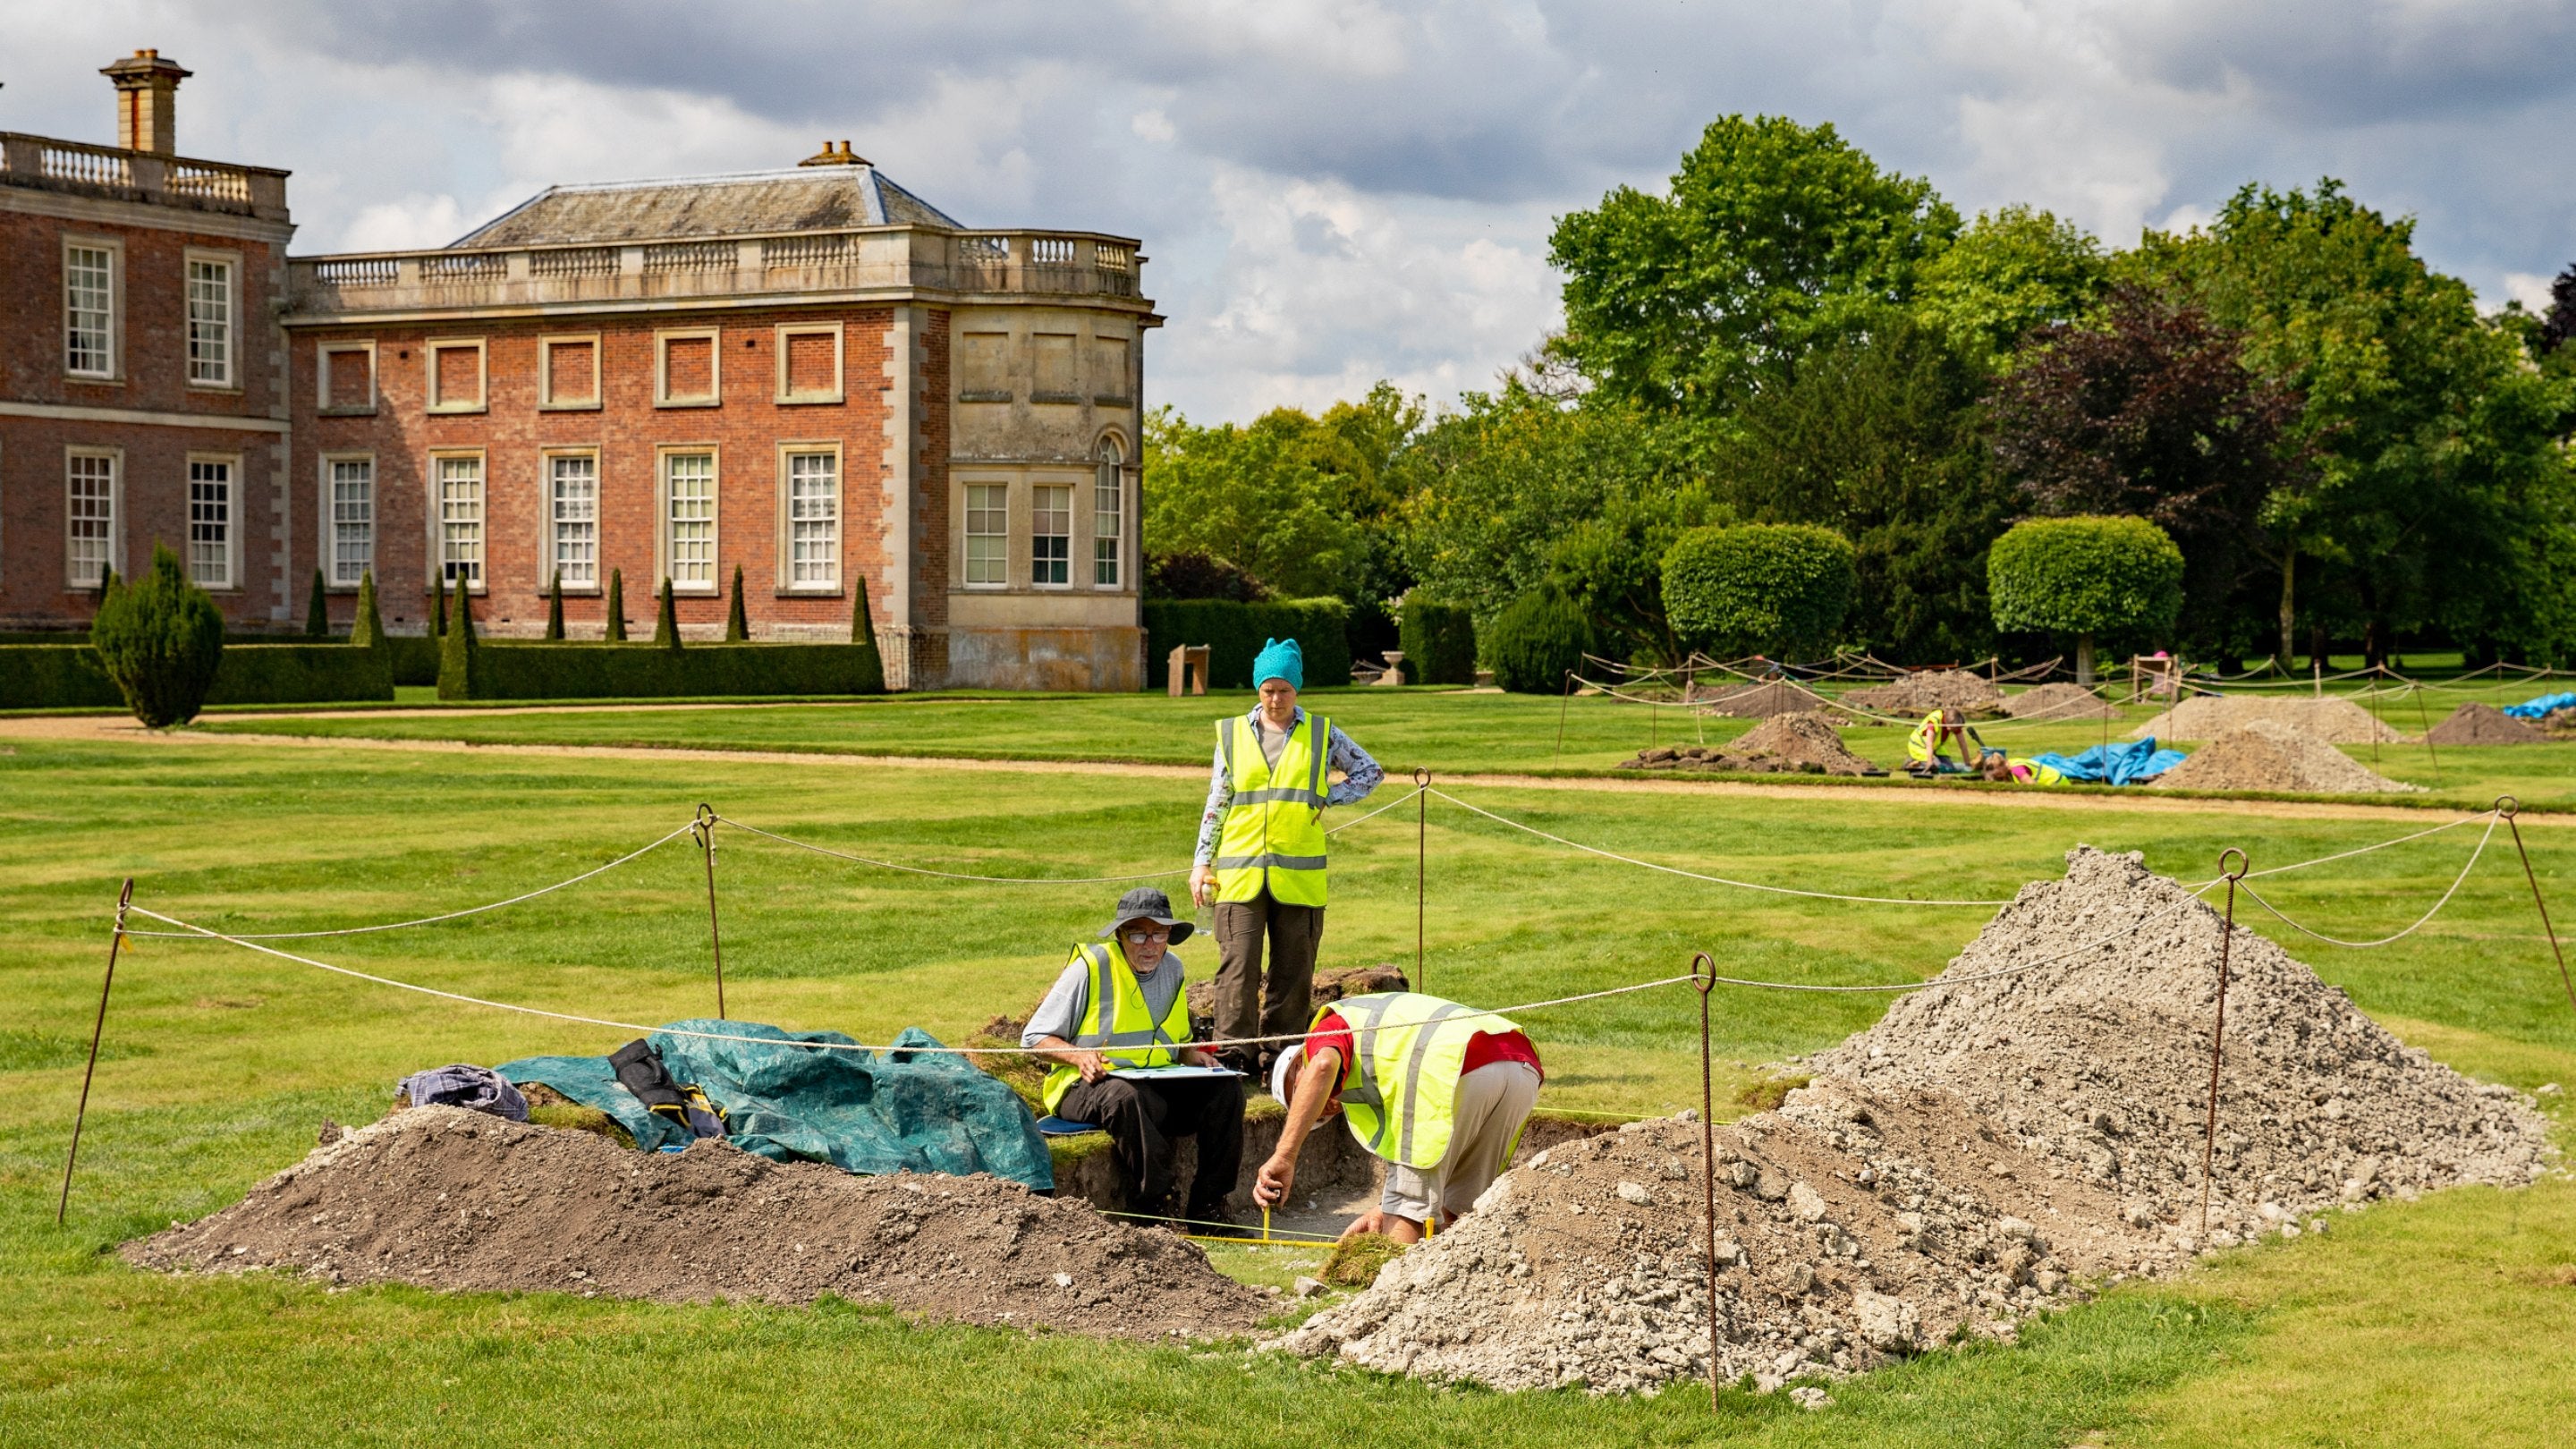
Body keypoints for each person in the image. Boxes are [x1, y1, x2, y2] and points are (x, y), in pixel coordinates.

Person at [1187, 637, 1383, 1077]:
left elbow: (1371, 773)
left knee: (1293, 971)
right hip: (1240, 875)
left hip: (1300, 877)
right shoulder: (1233, 733)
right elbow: (1216, 801)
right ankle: (1235, 1057)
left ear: (1297, 690)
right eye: (1268, 690)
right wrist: (1202, 863)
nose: (1276, 699)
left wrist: (1330, 796)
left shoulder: (1322, 732)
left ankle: (1281, 1058)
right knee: (1237, 966)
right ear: (1258, 690)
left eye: (1284, 690)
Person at [1024, 886, 1247, 1231]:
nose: (1150, 944)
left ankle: (1208, 1210)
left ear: (1169, 935)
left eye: (1159, 933)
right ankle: (1155, 1207)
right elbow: (1033, 1037)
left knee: (1226, 1090)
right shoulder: (1091, 967)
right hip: (1086, 1087)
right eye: (1139, 933)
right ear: (1120, 934)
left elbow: (1174, 1040)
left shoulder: (1173, 968)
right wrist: (1078, 1056)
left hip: (1155, 1083)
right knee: (1125, 1097)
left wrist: (1192, 1055)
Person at [1251, 990, 1542, 1244]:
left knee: (1409, 1212)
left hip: (1451, 1068)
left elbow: (1324, 1066)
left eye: (1302, 1095)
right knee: (1458, 1213)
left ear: (1300, 1063)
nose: (1323, 1109)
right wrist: (1384, 1210)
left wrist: (1285, 1154)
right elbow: (1434, 1182)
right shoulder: (1377, 1072)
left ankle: (1387, 1303)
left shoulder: (1330, 1027)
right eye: (1319, 1115)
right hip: (1519, 1066)